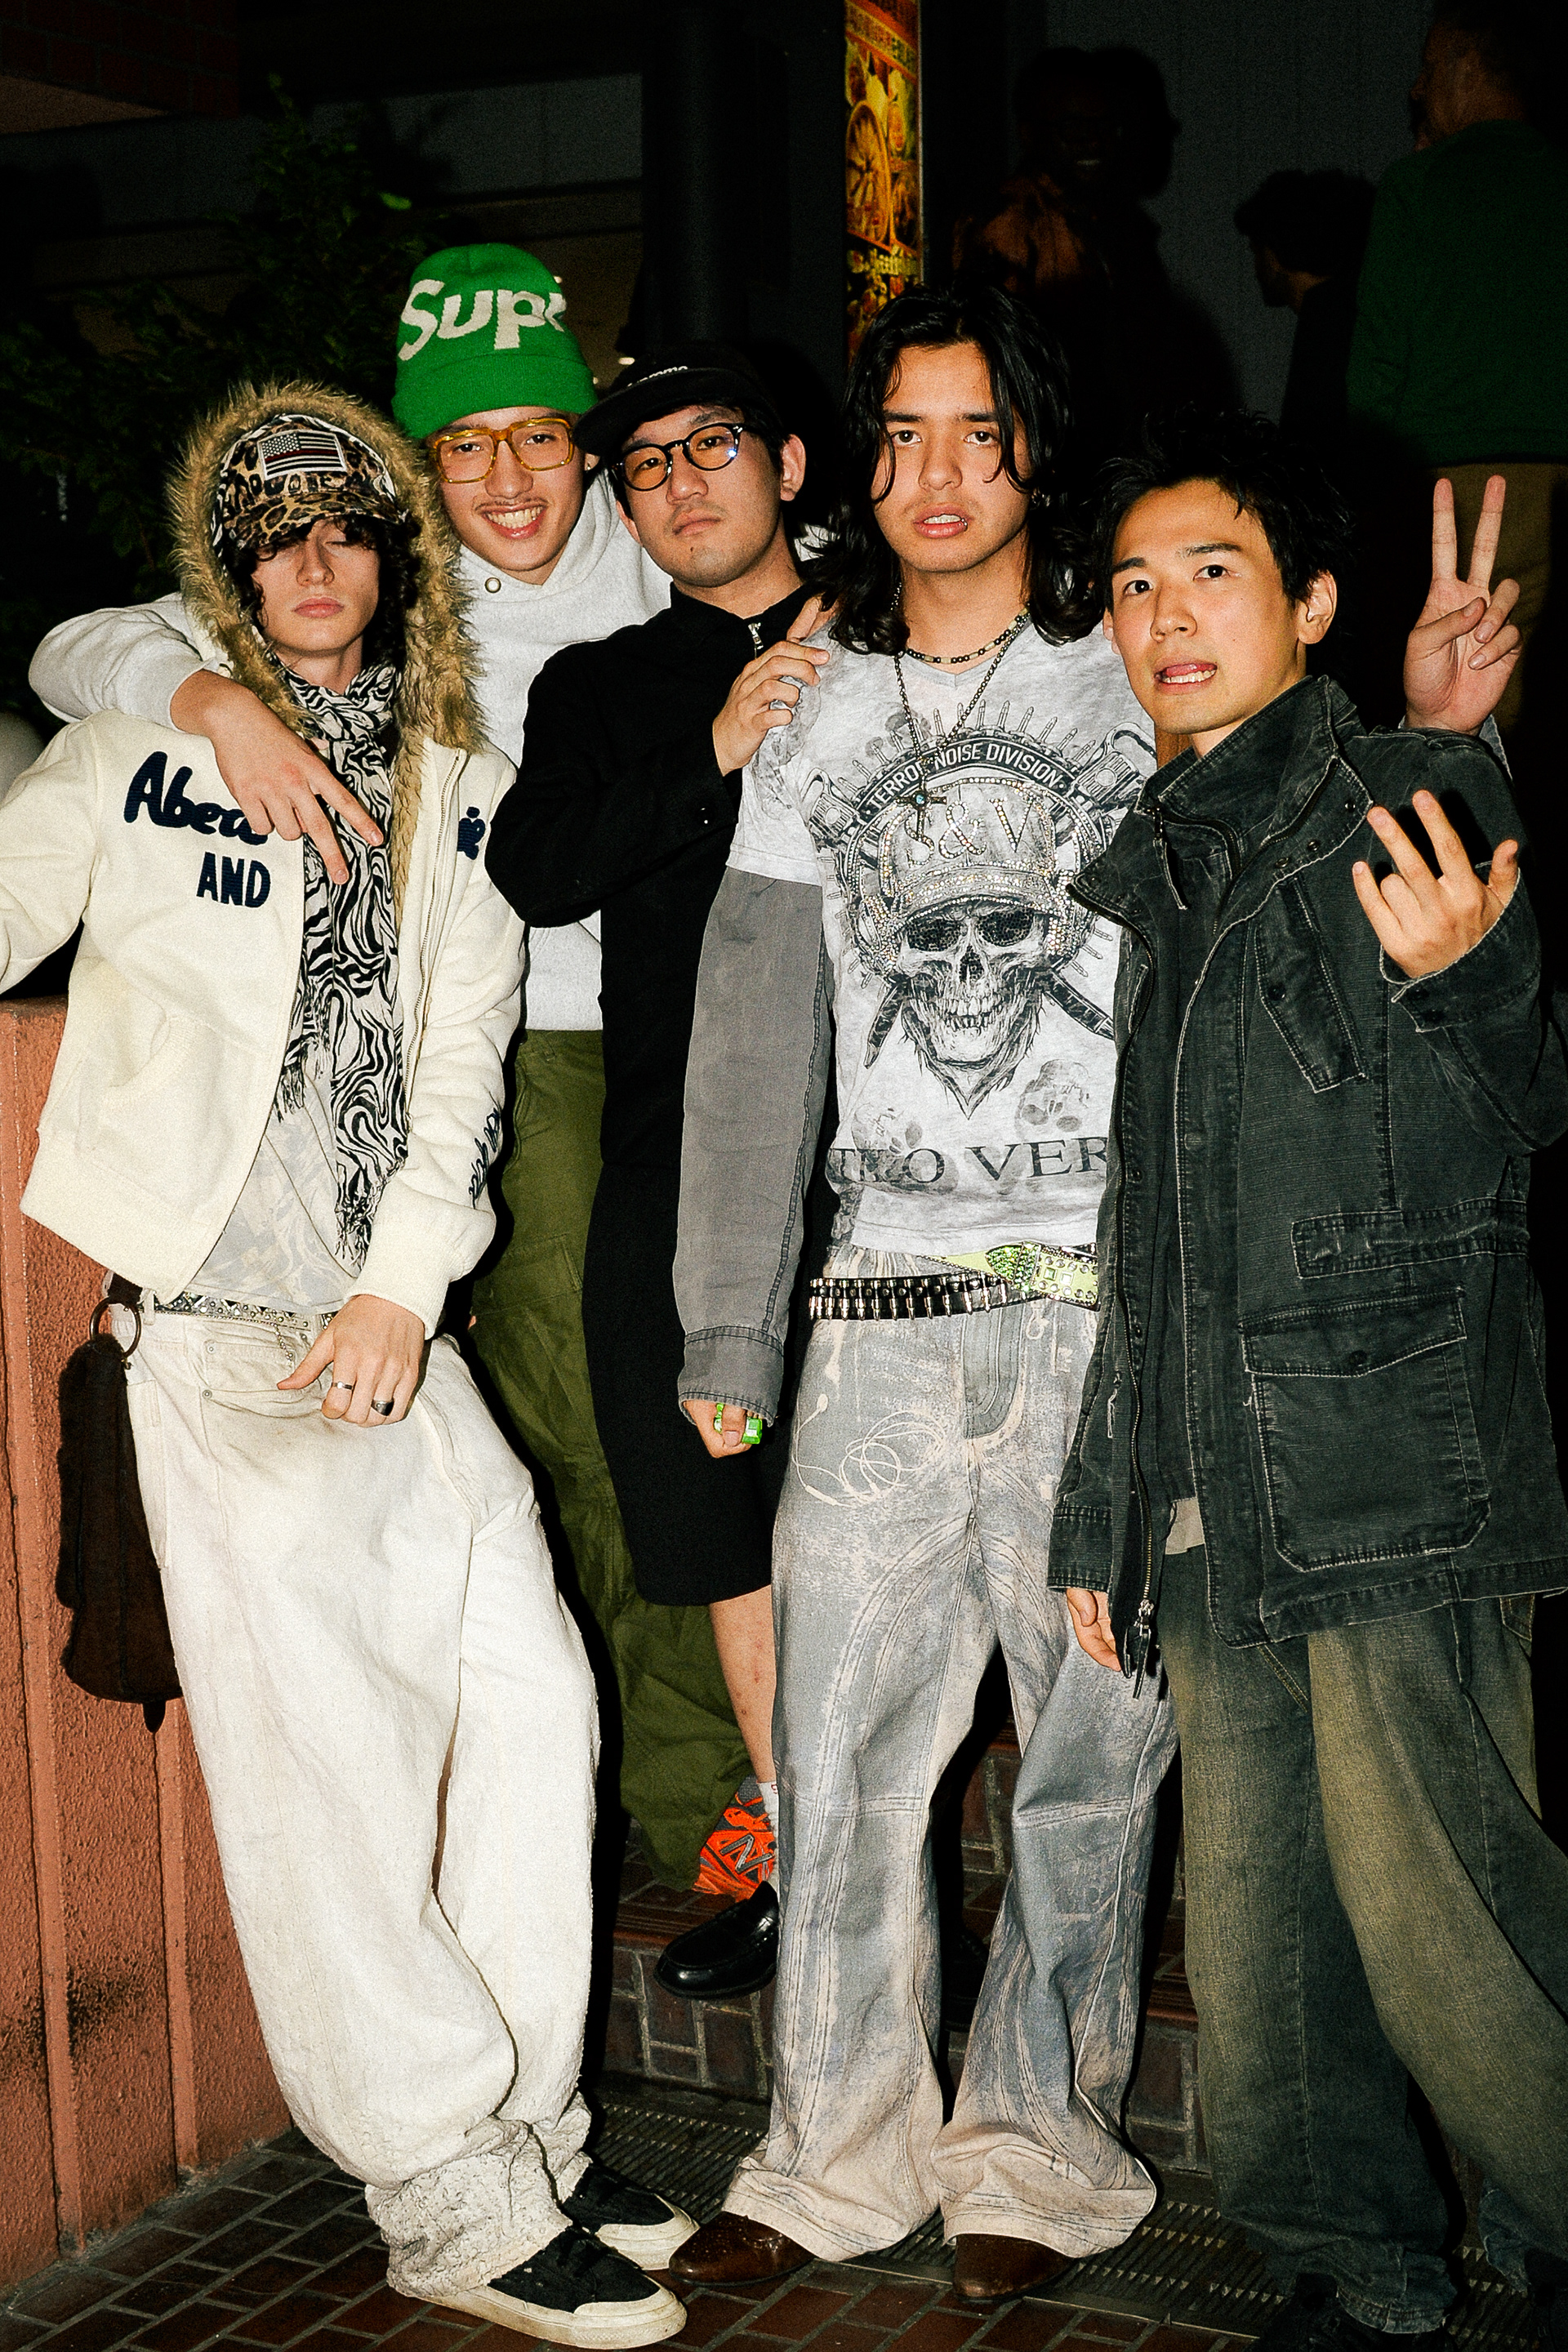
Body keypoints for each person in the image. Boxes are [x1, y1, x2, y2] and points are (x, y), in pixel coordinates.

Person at [1, 386, 693, 2344]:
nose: (314, 559)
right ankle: (442, 2193)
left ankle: (522, 2128)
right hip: (221, 1333)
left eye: (347, 526)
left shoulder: (458, 787)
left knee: (536, 1705)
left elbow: (464, 1070)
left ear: (392, 558)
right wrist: (192, 700)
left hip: (391, 1324)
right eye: (272, 532)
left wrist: (401, 1290)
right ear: (227, 568)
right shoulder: (145, 747)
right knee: (334, 1780)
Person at [25, 247, 750, 1891]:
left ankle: (698, 1783)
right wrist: (213, 703)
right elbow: (75, 653)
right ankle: (625, 1795)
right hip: (476, 1046)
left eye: (541, 436)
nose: (510, 480)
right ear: (421, 466)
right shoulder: (369, 571)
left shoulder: (660, 560)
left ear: (589, 442)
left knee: (659, 1402)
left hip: (652, 1030)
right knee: (546, 1424)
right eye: (465, 444)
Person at [662, 283, 1180, 2304]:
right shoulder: (814, 702)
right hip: (878, 1309)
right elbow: (752, 1024)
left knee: (1091, 1751)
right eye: (900, 434)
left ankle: (1038, 2154)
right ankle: (836, 2153)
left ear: (1038, 446)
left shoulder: (1132, 670)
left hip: (1101, 1313)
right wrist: (728, 1322)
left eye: (977, 431)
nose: (937, 475)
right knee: (844, 1746)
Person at [1054, 406, 1566, 2351]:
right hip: (1215, 1490)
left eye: (1215, 573)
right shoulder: (1170, 861)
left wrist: (1470, 969)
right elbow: (1145, 1218)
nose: (1166, 616)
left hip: (1388, 1467)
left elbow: (1536, 1103)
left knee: (1457, 1920)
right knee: (1263, 1938)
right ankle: (1356, 2258)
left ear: (1314, 604)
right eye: (1134, 584)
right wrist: (1105, 1501)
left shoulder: (1401, 795)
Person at [483, 344, 826, 1992]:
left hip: (889, 1151)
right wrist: (716, 748)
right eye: (648, 467)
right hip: (677, 1148)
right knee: (702, 1500)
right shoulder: (604, 685)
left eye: (714, 447)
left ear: (792, 467)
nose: (682, 484)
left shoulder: (894, 637)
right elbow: (539, 867)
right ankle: (800, 1845)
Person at [1346, 2, 1568, 800]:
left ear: (1471, 64)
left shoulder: (1420, 183)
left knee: (1462, 707)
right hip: (1561, 480)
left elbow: (1376, 366)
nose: (1417, 86)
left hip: (1453, 494)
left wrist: (1365, 495)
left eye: (1429, 67)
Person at [1233, 171, 1374, 453]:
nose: (1255, 268)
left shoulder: (1324, 320)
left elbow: (1307, 441)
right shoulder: (1356, 310)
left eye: (1256, 251)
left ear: (1274, 254)